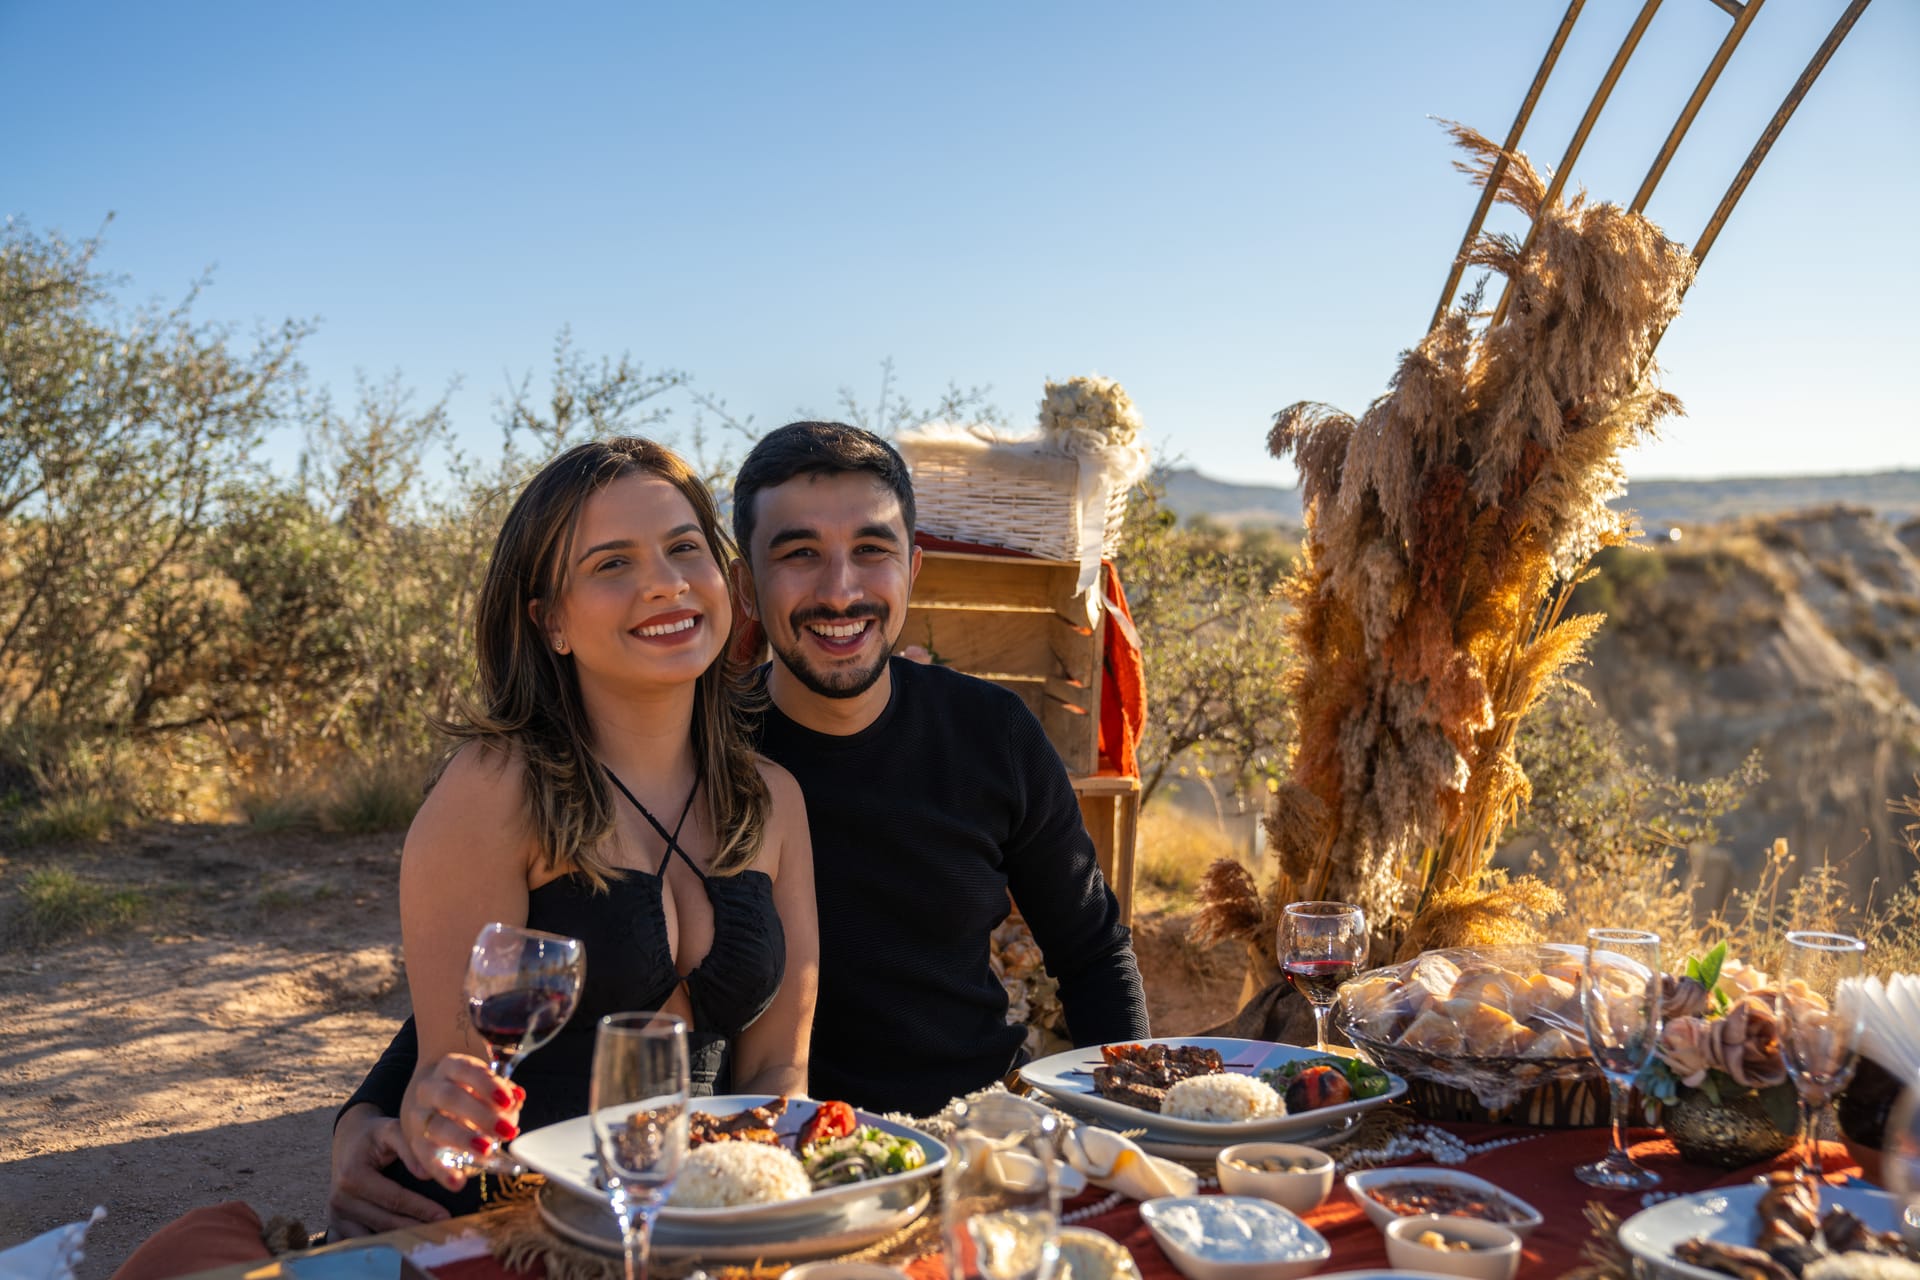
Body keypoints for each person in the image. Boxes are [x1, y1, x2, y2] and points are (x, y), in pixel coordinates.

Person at [328, 422, 1145, 1236]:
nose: (839, 590)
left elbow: (1090, 948)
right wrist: (370, 1114)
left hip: (867, 1162)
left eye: (871, 549)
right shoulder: (593, 762)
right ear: (748, 585)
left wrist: (1130, 1149)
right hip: (598, 1207)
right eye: (797, 554)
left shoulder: (874, 764)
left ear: (911, 568)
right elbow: (502, 990)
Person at [336, 437, 816, 1226]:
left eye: (683, 548)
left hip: (693, 1221)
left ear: (726, 582)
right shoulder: (494, 789)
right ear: (550, 620)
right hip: (516, 1222)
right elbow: (453, 1072)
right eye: (612, 564)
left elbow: (776, 1067)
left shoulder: (774, 799)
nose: (664, 584)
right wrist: (428, 1108)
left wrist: (761, 1206)